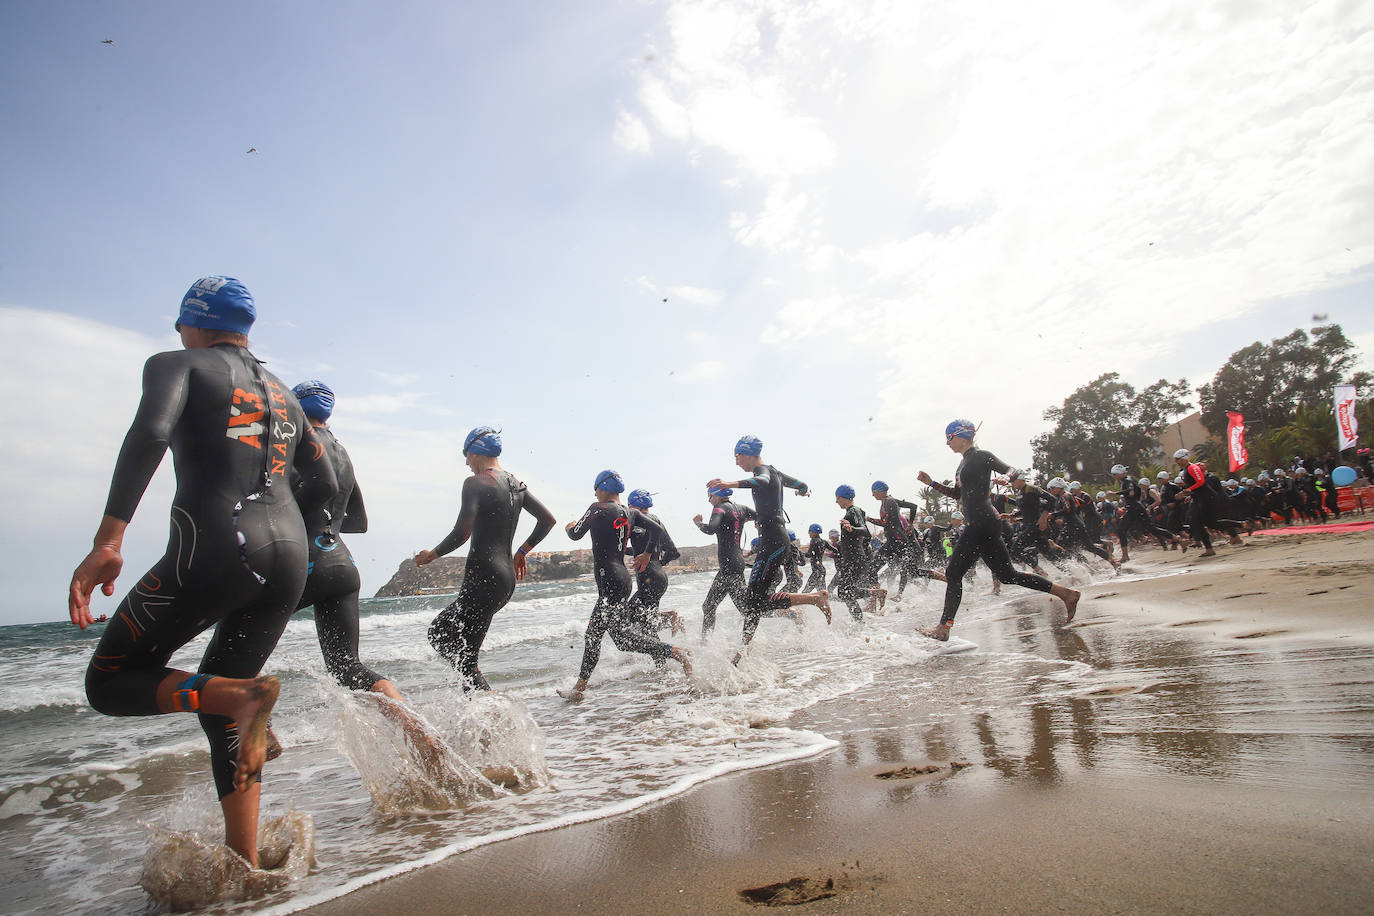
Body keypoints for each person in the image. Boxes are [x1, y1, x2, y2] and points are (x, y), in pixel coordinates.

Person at [68, 277, 338, 867]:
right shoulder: (287, 398)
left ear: (193, 321)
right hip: (288, 557)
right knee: (223, 704)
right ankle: (243, 860)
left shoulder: (179, 364)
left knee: (110, 683)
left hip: (215, 547)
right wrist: (292, 522)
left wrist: (110, 537)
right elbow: (326, 483)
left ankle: (243, 701)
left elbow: (151, 431)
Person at [417, 427, 556, 690]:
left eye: (466, 455)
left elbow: (462, 533)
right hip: (504, 582)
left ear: (474, 451)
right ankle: (480, 709)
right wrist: (522, 551)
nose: (466, 463)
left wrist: (431, 555)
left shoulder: (475, 483)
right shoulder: (516, 484)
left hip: (483, 577)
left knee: (439, 634)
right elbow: (547, 520)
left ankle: (491, 709)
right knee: (459, 648)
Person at [915, 420, 1079, 641]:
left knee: (953, 573)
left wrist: (1008, 478)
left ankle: (944, 627)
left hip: (981, 522)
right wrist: (932, 482)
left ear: (962, 436)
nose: (947, 443)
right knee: (1007, 575)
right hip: (984, 523)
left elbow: (1012, 469)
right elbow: (958, 495)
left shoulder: (981, 456)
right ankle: (1066, 593)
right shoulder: (962, 464)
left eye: (949, 438)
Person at [289, 381, 401, 701]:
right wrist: (330, 521)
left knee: (235, 641)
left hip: (301, 561)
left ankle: (253, 729)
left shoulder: (294, 444)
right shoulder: (341, 452)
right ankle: (414, 723)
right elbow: (359, 522)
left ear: (295, 407)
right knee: (347, 668)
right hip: (341, 562)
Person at [561, 471, 691, 699]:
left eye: (596, 488)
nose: (595, 493)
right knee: (593, 635)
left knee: (621, 640)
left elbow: (574, 534)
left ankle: (676, 653)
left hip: (611, 581)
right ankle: (579, 689)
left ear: (603, 488)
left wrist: (569, 525)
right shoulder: (630, 512)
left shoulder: (596, 508)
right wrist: (647, 554)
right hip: (621, 580)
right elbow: (657, 530)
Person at [706, 435, 831, 653]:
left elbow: (762, 482)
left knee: (755, 602)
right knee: (753, 602)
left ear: (746, 453)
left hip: (774, 541)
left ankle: (814, 598)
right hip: (771, 540)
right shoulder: (776, 473)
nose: (736, 462)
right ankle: (742, 652)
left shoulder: (763, 472)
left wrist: (730, 483)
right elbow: (801, 484)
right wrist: (802, 490)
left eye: (737, 457)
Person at [693, 486, 754, 637]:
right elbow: (760, 516)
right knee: (745, 609)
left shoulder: (719, 508)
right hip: (736, 563)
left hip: (729, 566)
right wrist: (743, 520)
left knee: (709, 606)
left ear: (718, 495)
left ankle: (705, 644)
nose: (709, 500)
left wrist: (698, 523)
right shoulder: (741, 508)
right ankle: (785, 613)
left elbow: (711, 529)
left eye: (710, 496)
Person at [624, 489, 683, 637]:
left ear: (632, 505)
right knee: (637, 617)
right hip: (658, 577)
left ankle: (662, 656)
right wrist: (655, 563)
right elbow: (673, 552)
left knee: (638, 621)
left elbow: (643, 550)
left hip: (649, 579)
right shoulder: (656, 521)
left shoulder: (636, 519)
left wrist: (645, 558)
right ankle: (669, 619)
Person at [803, 523, 838, 592]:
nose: (808, 533)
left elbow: (809, 555)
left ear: (813, 532)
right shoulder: (824, 542)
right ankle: (831, 602)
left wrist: (801, 553)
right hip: (821, 570)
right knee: (822, 594)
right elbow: (836, 550)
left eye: (809, 531)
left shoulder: (813, 541)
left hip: (816, 572)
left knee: (805, 593)